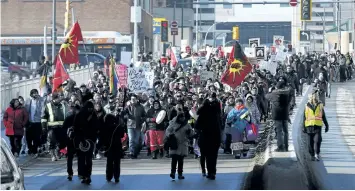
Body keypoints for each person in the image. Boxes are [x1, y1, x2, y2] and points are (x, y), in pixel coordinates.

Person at [195, 93, 222, 180]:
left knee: (207, 156)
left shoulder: (203, 112)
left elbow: (197, 126)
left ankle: (210, 172)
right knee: (213, 156)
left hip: (205, 137)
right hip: (215, 137)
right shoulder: (217, 112)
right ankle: (212, 172)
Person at [73, 101, 99, 184]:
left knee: (85, 158)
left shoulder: (81, 114)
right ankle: (86, 175)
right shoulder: (91, 114)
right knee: (86, 158)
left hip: (85, 140)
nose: (90, 109)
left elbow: (75, 128)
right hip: (86, 140)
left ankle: (85, 175)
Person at [165, 112, 193, 180]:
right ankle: (173, 172)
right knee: (174, 159)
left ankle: (180, 174)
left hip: (183, 144)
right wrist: (169, 135)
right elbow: (168, 130)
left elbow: (191, 133)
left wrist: (189, 132)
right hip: (175, 143)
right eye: (181, 117)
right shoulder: (173, 123)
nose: (182, 119)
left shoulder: (187, 124)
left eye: (183, 117)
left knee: (180, 160)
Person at [303, 90, 329, 161]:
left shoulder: (320, 105)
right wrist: (303, 127)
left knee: (317, 140)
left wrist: (326, 125)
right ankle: (312, 154)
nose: (314, 99)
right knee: (310, 142)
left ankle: (317, 154)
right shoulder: (307, 105)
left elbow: (323, 116)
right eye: (313, 97)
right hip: (309, 126)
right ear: (310, 98)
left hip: (317, 126)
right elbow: (304, 117)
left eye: (316, 97)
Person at [41, 92, 68, 161]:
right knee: (52, 141)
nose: (60, 98)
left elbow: (67, 115)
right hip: (52, 127)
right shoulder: (48, 106)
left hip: (62, 127)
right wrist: (44, 127)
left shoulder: (63, 105)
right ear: (54, 99)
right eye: (58, 97)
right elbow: (44, 117)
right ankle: (53, 155)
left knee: (63, 141)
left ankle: (58, 150)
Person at [266, 79, 291, 152]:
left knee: (279, 131)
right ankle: (286, 147)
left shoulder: (273, 94)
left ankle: (280, 147)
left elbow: (266, 96)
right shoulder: (287, 94)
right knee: (286, 131)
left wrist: (270, 90)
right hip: (285, 115)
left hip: (277, 115)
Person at [99, 114, 125, 183]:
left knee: (109, 163)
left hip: (109, 147)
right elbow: (122, 135)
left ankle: (108, 177)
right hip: (117, 146)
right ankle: (116, 177)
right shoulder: (117, 126)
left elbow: (102, 138)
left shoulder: (104, 127)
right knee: (117, 163)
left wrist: (99, 147)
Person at [123, 94, 146, 159]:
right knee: (131, 139)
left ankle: (135, 152)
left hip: (138, 125)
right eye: (132, 99)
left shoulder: (140, 107)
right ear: (130, 100)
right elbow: (124, 114)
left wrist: (142, 120)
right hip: (130, 125)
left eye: (134, 99)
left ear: (136, 99)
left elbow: (144, 115)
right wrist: (126, 116)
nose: (133, 100)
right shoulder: (127, 106)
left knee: (136, 140)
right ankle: (131, 152)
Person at [62, 102, 81, 181]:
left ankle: (79, 173)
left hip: (78, 140)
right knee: (70, 158)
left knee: (79, 157)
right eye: (71, 108)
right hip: (70, 140)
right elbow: (63, 129)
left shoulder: (80, 118)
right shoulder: (68, 118)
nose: (73, 109)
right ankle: (70, 173)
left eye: (74, 108)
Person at [24, 89, 45, 157]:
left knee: (36, 137)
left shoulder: (40, 100)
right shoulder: (28, 100)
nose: (35, 94)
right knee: (29, 138)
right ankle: (30, 149)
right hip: (30, 122)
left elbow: (42, 109)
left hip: (37, 122)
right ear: (31, 94)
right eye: (33, 93)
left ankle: (35, 150)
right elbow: (26, 110)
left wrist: (38, 100)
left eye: (36, 93)